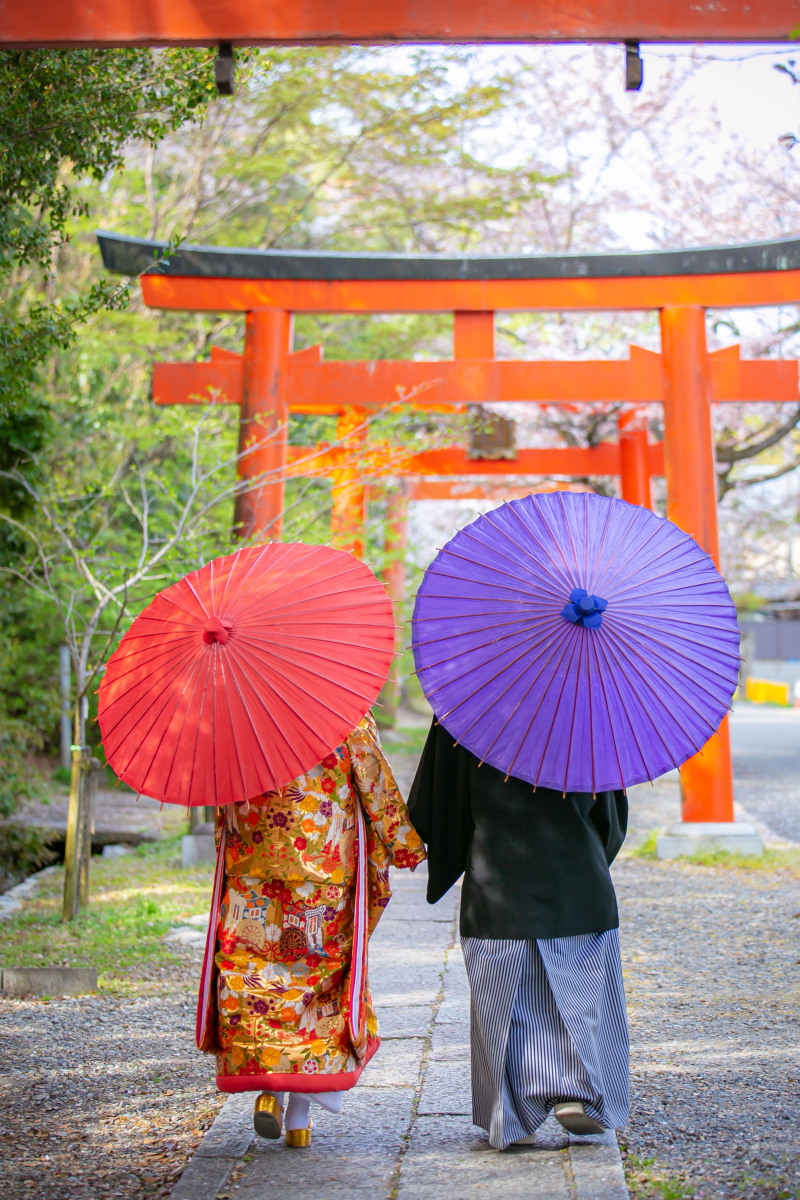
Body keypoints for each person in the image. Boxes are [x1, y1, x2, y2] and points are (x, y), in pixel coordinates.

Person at [197, 711, 426, 1147]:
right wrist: (404, 845)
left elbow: (221, 798)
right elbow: (373, 781)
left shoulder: (239, 717)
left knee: (254, 975)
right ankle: (300, 1119)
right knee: (318, 979)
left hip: (252, 868)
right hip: (321, 869)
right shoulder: (342, 712)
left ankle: (268, 1091)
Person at [407, 719, 629, 1151]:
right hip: (577, 880)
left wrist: (459, 849)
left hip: (497, 884)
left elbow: (439, 806)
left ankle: (511, 1114)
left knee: (503, 999)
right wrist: (590, 857)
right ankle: (576, 1092)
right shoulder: (590, 703)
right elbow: (612, 816)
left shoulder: (464, 704)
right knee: (581, 995)